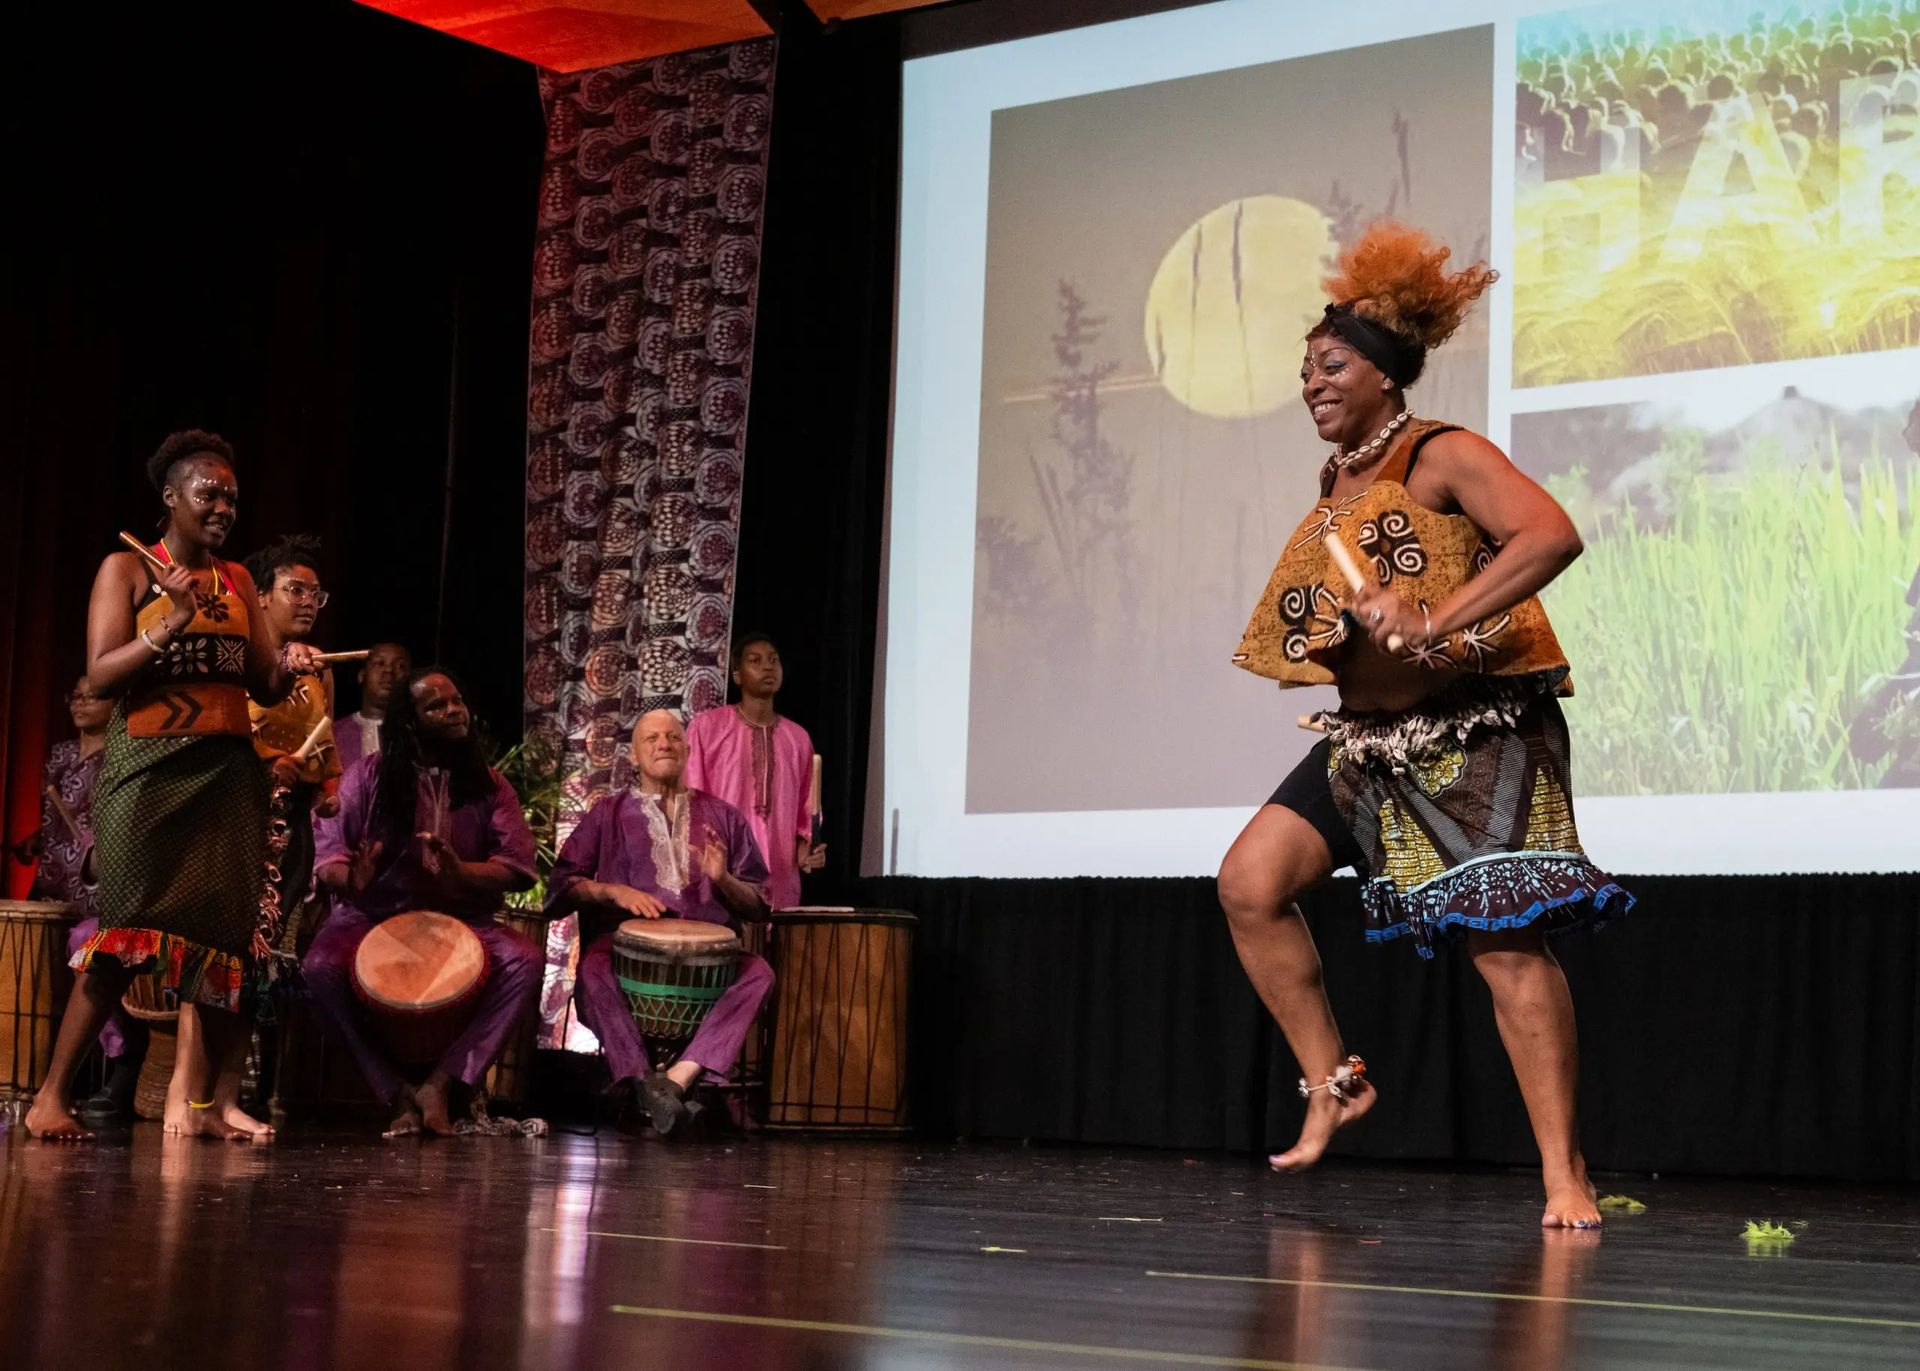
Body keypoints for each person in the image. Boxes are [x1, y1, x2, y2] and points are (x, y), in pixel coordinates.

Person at [1220, 223, 1632, 1229]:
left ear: (1385, 373)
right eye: (1306, 370)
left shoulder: (1443, 453)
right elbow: (1366, 623)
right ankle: (1335, 1081)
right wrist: (1334, 639)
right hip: (1372, 747)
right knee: (1250, 884)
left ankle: (1563, 1174)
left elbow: (1552, 533)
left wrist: (1436, 620)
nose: (1311, 384)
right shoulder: (1339, 487)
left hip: (1477, 732)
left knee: (1505, 949)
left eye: (1331, 366)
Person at [25, 430, 322, 1141]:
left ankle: (205, 1106)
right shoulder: (127, 570)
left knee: (222, 943)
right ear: (169, 497)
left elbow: (259, 681)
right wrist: (172, 622)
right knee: (127, 932)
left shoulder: (239, 581)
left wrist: (292, 665)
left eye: (231, 497)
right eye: (208, 493)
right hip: (148, 773)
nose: (223, 506)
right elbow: (99, 673)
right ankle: (50, 1096)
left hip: (225, 776)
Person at [159, 534, 345, 1139]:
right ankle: (182, 1097)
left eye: (317, 593)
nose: (309, 602)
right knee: (209, 955)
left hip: (286, 829)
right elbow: (213, 730)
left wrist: (326, 783)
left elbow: (322, 739)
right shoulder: (235, 654)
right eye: (295, 589)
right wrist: (266, 762)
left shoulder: (319, 665)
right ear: (258, 596)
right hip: (230, 816)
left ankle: (224, 1099)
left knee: (257, 967)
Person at [305, 668, 540, 1136]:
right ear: (409, 723)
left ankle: (442, 1082)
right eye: (436, 706)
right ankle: (392, 1090)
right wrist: (353, 880)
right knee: (318, 968)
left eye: (456, 701)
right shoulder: (368, 776)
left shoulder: (490, 784)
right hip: (372, 915)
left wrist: (463, 872)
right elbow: (328, 849)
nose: (453, 711)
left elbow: (518, 865)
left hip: (464, 919)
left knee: (525, 961)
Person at [549, 709, 773, 1137]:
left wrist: (722, 879)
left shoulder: (723, 817)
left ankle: (673, 1081)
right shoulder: (607, 814)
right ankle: (640, 1079)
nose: (664, 744)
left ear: (688, 749)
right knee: (595, 970)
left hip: (710, 963)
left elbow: (758, 903)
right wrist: (612, 891)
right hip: (624, 954)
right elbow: (562, 886)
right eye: (651, 739)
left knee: (758, 972)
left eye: (673, 737)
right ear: (634, 756)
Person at [32, 676, 145, 1122]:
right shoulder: (60, 754)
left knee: (94, 951)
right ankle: (57, 1078)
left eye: (92, 694)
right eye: (74, 694)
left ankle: (120, 1066)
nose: (80, 702)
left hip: (104, 879)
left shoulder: (122, 757)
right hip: (57, 876)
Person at [684, 633, 823, 912]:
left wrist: (806, 848)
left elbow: (806, 810)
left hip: (780, 870)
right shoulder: (707, 728)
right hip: (723, 867)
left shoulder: (798, 738)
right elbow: (692, 799)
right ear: (737, 675)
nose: (768, 667)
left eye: (774, 660)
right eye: (755, 661)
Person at [333, 642, 412, 774]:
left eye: (400, 666)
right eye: (379, 663)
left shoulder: (418, 734)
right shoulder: (335, 734)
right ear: (362, 675)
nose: (389, 670)